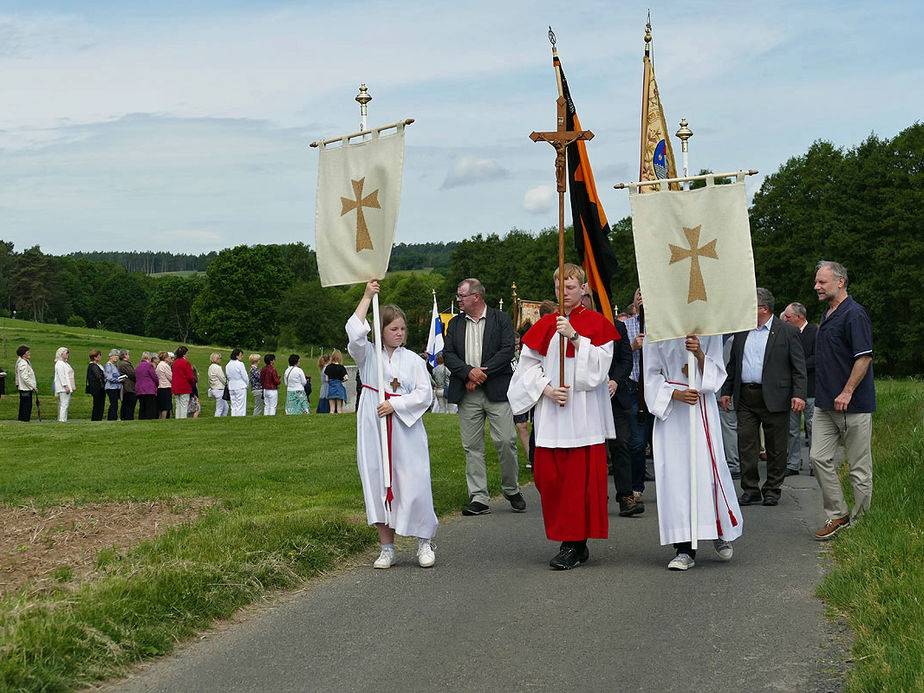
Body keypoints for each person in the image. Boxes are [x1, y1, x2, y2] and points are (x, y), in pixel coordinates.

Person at [508, 264, 619, 568]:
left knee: (577, 485)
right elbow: (525, 370)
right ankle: (570, 540)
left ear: (583, 289)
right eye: (559, 287)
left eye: (570, 288)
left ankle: (573, 543)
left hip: (583, 417)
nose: (564, 293)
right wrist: (545, 389)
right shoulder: (544, 326)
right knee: (550, 480)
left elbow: (597, 371)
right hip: (553, 416)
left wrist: (576, 339)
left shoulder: (597, 324)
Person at [347, 279, 439, 568]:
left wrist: (396, 404)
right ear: (381, 331)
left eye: (402, 329)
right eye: (393, 329)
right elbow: (354, 334)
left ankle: (424, 542)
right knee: (377, 479)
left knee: (414, 480)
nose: (399, 334)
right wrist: (366, 296)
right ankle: (387, 547)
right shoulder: (368, 356)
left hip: (404, 427)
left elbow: (424, 394)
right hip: (373, 423)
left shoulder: (413, 360)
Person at [645, 334, 743, 570]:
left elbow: (718, 372)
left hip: (701, 405)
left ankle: (719, 530)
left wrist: (699, 354)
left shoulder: (710, 329)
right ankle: (684, 548)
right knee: (676, 477)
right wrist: (674, 394)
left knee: (707, 469)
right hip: (673, 411)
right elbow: (650, 374)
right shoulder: (658, 329)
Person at [444, 277, 524, 515]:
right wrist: (469, 372)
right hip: (467, 394)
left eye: (462, 295)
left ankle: (511, 489)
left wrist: (480, 374)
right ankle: (479, 497)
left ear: (476, 297)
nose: (458, 299)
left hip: (497, 391)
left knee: (506, 441)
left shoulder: (501, 319)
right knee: (472, 446)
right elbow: (448, 355)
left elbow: (506, 350)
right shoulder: (456, 324)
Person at [721, 288, 806, 507]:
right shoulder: (741, 332)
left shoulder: (787, 331)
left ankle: (772, 489)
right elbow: (733, 365)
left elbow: (799, 367)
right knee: (746, 444)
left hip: (776, 396)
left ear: (764, 309)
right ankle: (750, 489)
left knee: (776, 446)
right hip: (746, 397)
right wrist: (727, 391)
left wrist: (799, 394)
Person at [810, 261, 875, 540]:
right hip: (825, 404)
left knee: (858, 466)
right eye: (816, 282)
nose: (817, 287)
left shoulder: (854, 314)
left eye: (822, 282)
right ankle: (838, 514)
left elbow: (864, 357)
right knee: (817, 457)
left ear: (840, 282)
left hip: (853, 405)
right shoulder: (827, 314)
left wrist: (847, 391)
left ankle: (862, 524)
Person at [608, 316, 642, 516]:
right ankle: (592, 497)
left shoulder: (617, 326)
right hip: (586, 396)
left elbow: (626, 359)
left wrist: (616, 381)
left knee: (621, 443)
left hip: (615, 395)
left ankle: (625, 496)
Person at [624, 288, 654, 511]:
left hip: (657, 388)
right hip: (635, 388)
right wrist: (633, 346)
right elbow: (619, 355)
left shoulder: (661, 327)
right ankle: (636, 488)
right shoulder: (626, 325)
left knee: (661, 441)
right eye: (638, 294)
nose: (642, 298)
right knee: (636, 442)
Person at [782, 302, 818, 475]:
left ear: (799, 317)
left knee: (812, 428)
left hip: (811, 390)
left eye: (788, 317)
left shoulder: (815, 332)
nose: (785, 320)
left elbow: (818, 358)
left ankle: (815, 464)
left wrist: (797, 365)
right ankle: (793, 463)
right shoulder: (787, 334)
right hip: (791, 390)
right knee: (792, 429)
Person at [171, 345, 195, 418]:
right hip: (184, 387)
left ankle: (178, 419)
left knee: (178, 405)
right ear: (184, 354)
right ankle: (183, 419)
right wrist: (192, 384)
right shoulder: (186, 363)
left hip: (176, 387)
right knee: (184, 405)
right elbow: (190, 377)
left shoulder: (174, 363)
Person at [15, 345, 38, 422]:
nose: (29, 353)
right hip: (25, 388)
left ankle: (23, 420)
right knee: (26, 406)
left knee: (25, 405)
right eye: (28, 352)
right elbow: (25, 377)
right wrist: (33, 386)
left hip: (26, 388)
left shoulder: (26, 362)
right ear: (23, 354)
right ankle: (24, 420)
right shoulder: (23, 364)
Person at [52, 347, 75, 422]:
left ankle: (62, 418)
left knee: (64, 404)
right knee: (64, 404)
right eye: (66, 353)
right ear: (61, 354)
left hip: (66, 386)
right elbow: (62, 376)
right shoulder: (59, 363)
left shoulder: (65, 363)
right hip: (63, 387)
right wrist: (66, 386)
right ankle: (62, 420)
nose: (68, 354)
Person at [135, 352, 159, 419]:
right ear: (149, 358)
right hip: (149, 389)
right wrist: (157, 384)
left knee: (142, 407)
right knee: (150, 407)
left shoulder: (137, 366)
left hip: (139, 389)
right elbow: (154, 377)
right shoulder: (149, 366)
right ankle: (149, 419)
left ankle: (141, 419)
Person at [225, 348, 249, 417]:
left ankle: (234, 416)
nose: (242, 356)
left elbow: (228, 375)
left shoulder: (228, 365)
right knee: (241, 404)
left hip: (231, 386)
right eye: (240, 355)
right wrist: (246, 384)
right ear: (236, 356)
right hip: (240, 385)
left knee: (234, 404)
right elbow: (245, 376)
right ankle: (240, 416)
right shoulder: (240, 364)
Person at [85, 349, 106, 421]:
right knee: (98, 405)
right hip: (97, 388)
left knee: (100, 404)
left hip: (100, 388)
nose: (100, 357)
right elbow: (98, 375)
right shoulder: (93, 366)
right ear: (95, 357)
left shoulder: (98, 365)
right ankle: (96, 418)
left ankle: (98, 418)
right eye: (99, 355)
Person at [207, 352, 229, 417]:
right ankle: (217, 419)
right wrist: (227, 383)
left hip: (214, 389)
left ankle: (222, 419)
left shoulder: (210, 367)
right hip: (219, 389)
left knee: (226, 407)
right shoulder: (217, 367)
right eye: (219, 358)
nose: (220, 360)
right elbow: (222, 378)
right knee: (219, 408)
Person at [103, 349, 123, 421]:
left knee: (115, 404)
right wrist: (119, 380)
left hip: (116, 387)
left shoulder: (115, 366)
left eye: (117, 356)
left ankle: (113, 417)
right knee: (113, 404)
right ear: (110, 356)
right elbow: (109, 377)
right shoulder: (108, 365)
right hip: (111, 387)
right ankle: (111, 418)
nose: (116, 357)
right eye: (115, 355)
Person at [156, 351, 173, 419]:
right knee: (165, 407)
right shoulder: (165, 365)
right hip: (165, 387)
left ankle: (160, 418)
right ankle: (164, 419)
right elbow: (170, 377)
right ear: (165, 358)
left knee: (161, 406)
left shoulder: (159, 365)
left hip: (160, 387)